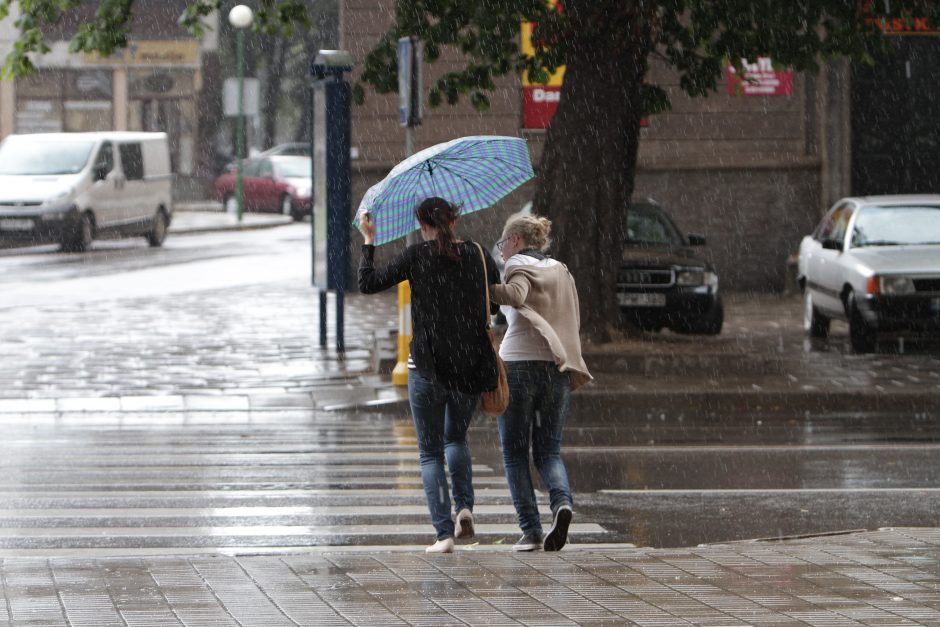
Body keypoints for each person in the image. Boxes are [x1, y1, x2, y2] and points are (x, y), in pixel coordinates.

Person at [358, 197, 500, 553]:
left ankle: (443, 534)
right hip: (469, 364)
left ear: (422, 223)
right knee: (457, 439)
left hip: (428, 365)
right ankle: (464, 506)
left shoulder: (416, 256)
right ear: (454, 219)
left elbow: (369, 283)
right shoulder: (479, 255)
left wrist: (369, 241)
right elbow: (494, 303)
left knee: (430, 453)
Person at [489, 213, 592, 552]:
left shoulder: (517, 264)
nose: (501, 250)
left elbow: (516, 295)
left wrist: (481, 289)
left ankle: (531, 531)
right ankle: (562, 503)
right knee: (548, 451)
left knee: (515, 453)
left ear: (515, 240)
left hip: (518, 366)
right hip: (556, 368)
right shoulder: (560, 269)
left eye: (503, 242)